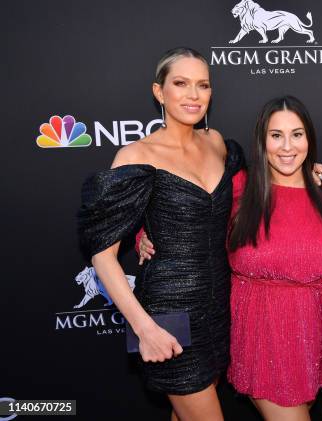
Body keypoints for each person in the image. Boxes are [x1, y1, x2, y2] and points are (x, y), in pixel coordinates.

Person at [78, 47, 245, 421]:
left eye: (202, 85)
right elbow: (102, 256)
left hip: (219, 308)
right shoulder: (137, 155)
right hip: (168, 316)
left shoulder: (217, 142)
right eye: (181, 84)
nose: (193, 94)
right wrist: (144, 329)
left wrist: (311, 170)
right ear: (159, 92)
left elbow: (250, 193)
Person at [226, 95, 322, 421]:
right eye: (276, 135)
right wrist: (146, 232)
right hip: (261, 338)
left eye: (297, 134)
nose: (287, 146)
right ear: (262, 141)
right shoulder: (239, 190)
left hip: (314, 340)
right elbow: (188, 214)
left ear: (310, 139)